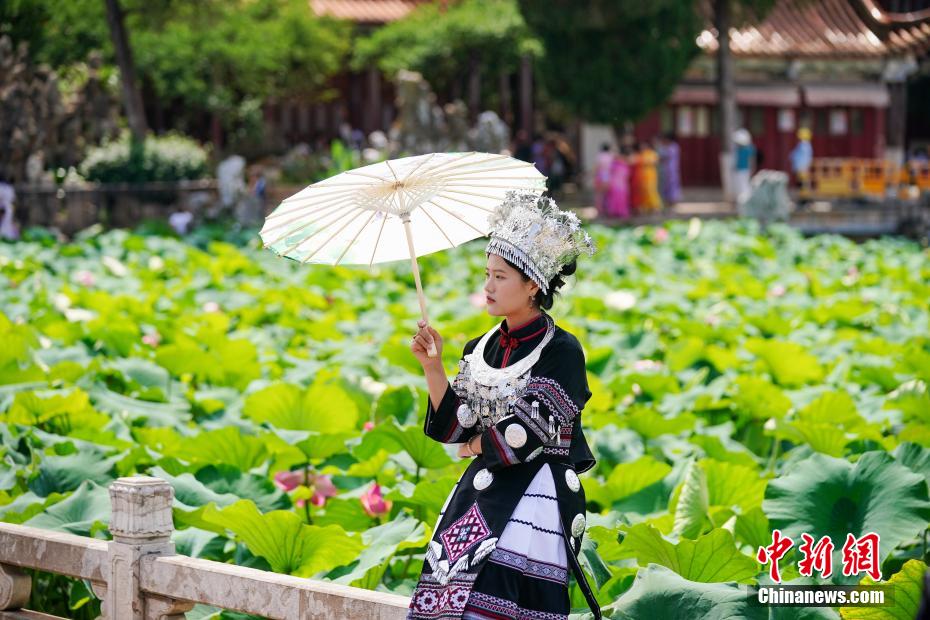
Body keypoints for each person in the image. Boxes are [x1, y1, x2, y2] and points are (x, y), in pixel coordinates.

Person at [407, 191, 601, 620]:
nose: (487, 287)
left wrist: (476, 447)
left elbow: (525, 434)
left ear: (533, 285)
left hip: (536, 494)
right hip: (482, 492)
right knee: (447, 600)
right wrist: (433, 368)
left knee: (497, 601)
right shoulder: (480, 348)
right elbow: (457, 424)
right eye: (486, 274)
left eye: (499, 277)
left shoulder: (562, 351)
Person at [604, 147, 631, 219]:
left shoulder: (624, 165)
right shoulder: (614, 164)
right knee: (614, 198)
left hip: (621, 184)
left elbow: (627, 175)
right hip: (616, 184)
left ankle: (620, 212)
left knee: (621, 198)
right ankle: (614, 212)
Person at [657, 133, 682, 207]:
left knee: (672, 185)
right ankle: (666, 201)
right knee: (665, 185)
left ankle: (672, 201)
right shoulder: (665, 146)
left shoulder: (673, 146)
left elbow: (664, 156)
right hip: (665, 169)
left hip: (671, 169)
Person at [733, 128, 756, 203]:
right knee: (740, 186)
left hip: (745, 170)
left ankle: (746, 201)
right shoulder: (738, 149)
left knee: (745, 186)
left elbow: (751, 160)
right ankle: (741, 201)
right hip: (739, 170)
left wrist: (752, 169)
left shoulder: (749, 148)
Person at [593, 143, 614, 216]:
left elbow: (597, 167)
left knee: (599, 194)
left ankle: (599, 210)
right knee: (608, 194)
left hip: (601, 176)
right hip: (609, 176)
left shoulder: (600, 156)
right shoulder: (611, 156)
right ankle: (608, 209)